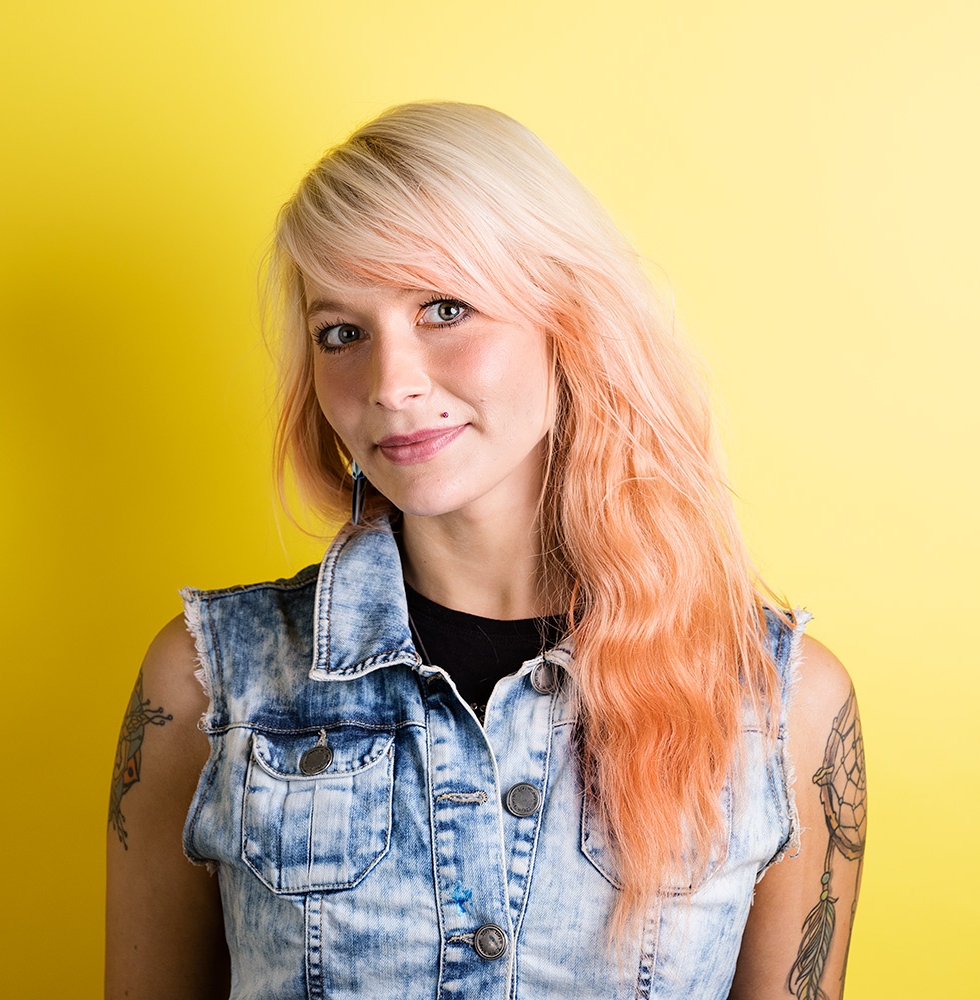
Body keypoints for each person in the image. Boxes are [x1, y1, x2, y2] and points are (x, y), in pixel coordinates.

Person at [105, 102, 866, 999]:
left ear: (569, 323)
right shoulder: (205, 685)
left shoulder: (785, 708)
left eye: (445, 309)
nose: (391, 384)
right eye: (342, 333)